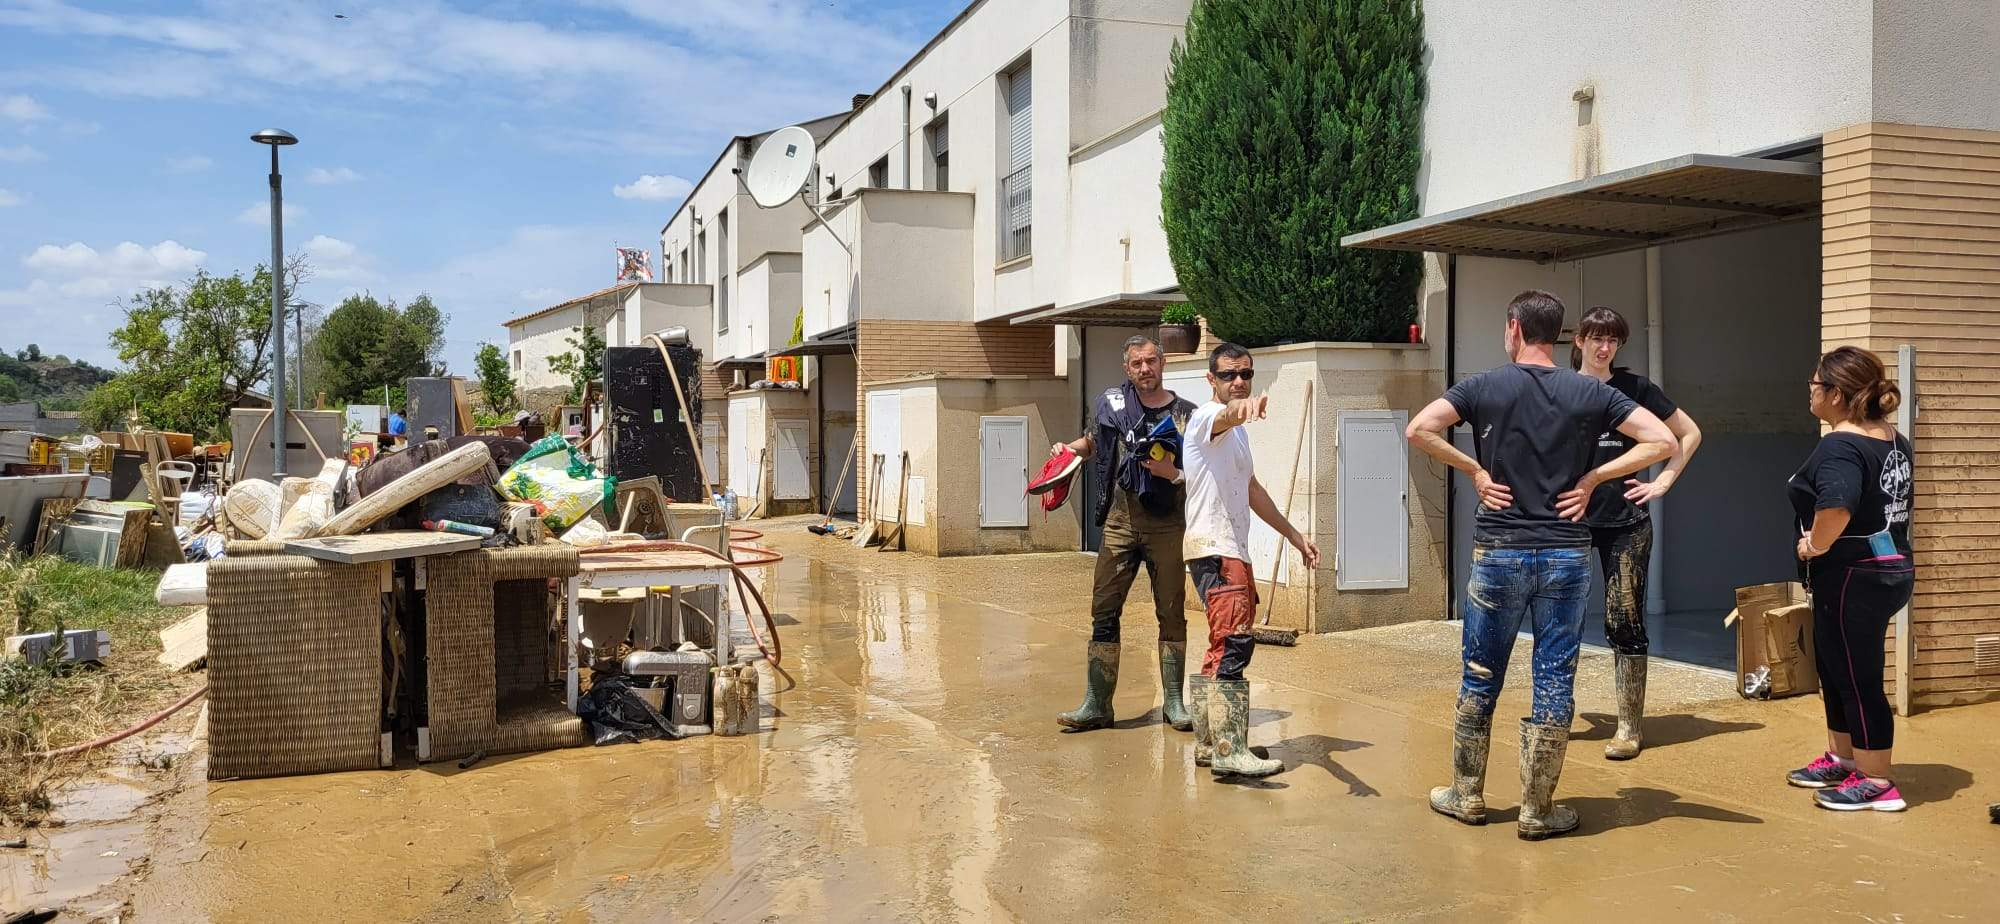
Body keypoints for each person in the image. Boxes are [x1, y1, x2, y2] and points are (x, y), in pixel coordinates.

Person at [1406, 290, 1674, 840]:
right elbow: (1664, 439)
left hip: (1500, 550)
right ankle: (1537, 808)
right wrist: (1593, 479)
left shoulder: (1484, 385)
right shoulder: (1588, 391)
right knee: (1553, 679)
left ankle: (1467, 794)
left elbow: (1419, 430)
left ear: (1513, 329)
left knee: (1481, 674)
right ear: (1559, 336)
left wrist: (1475, 472)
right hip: (1565, 554)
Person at [1177, 343, 1319, 778]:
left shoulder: (1236, 436)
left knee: (1221, 644)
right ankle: (1228, 748)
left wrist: (1294, 535)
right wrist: (1246, 407)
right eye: (1228, 375)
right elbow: (1224, 416)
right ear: (1211, 380)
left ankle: (1209, 743)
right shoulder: (1206, 419)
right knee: (1236, 643)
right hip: (1216, 549)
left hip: (1226, 549)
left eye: (1246, 374)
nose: (1238, 381)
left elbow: (1252, 489)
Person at [1570, 307, 1704, 760]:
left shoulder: (1636, 389)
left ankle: (1629, 726)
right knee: (1560, 620)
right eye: (1596, 338)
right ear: (1579, 341)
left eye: (1612, 340)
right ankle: (1554, 710)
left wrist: (1664, 480)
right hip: (1568, 521)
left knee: (1624, 621)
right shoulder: (1562, 387)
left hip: (1626, 522)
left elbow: (1689, 433)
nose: (1604, 347)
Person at [1784, 346, 1914, 812]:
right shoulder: (1891, 439)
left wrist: (1813, 546)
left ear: (1836, 395)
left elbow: (1836, 506)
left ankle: (1878, 781)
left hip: (1854, 576)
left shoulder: (1841, 444)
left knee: (1857, 677)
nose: (1810, 391)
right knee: (1835, 667)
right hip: (1882, 568)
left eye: (1815, 384)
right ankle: (1844, 757)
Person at [1052, 335, 1198, 733]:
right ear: (1126, 368)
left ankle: (1174, 704)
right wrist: (1069, 451)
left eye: (1151, 361)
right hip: (1120, 520)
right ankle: (1097, 705)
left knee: (1172, 612)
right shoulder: (1112, 405)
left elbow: (1201, 469)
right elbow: (1095, 443)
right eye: (1137, 363)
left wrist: (1175, 473)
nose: (1145, 369)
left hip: (1167, 522)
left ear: (1163, 363)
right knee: (1103, 609)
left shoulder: (1187, 414)